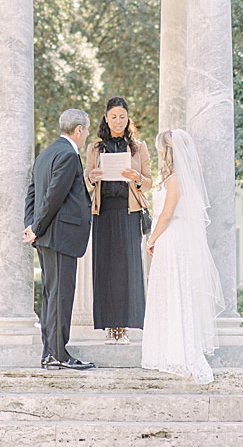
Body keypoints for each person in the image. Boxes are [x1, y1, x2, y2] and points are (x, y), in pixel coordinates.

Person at [141, 128, 222, 383]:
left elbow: (166, 214)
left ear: (168, 151)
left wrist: (151, 239)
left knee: (175, 292)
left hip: (172, 239)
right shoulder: (171, 178)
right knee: (166, 293)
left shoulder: (176, 180)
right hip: (168, 238)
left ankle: (181, 352)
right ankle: (167, 350)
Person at [23, 107, 94, 370]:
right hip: (59, 236)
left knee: (52, 295)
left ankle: (50, 352)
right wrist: (37, 228)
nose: (87, 134)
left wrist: (30, 226)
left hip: (46, 237)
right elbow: (54, 196)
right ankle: (58, 356)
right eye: (86, 129)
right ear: (78, 130)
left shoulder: (46, 154)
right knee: (60, 296)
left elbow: (32, 194)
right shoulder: (67, 154)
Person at [86, 97, 149, 341]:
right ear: (106, 119)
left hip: (129, 212)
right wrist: (93, 176)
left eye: (122, 116)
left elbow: (149, 180)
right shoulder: (94, 148)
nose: (118, 121)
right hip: (102, 214)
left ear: (128, 118)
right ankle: (110, 327)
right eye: (113, 117)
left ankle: (124, 326)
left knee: (128, 270)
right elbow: (85, 181)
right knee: (105, 269)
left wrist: (137, 178)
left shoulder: (138, 147)